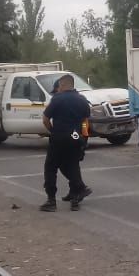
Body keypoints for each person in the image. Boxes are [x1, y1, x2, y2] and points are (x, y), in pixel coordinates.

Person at [40, 74, 92, 212]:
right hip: (75, 137)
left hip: (59, 136)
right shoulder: (82, 100)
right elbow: (85, 121)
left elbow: (45, 119)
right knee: (73, 165)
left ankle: (51, 201)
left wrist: (52, 131)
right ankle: (76, 196)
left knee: (51, 167)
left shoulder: (57, 99)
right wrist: (83, 138)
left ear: (61, 85)